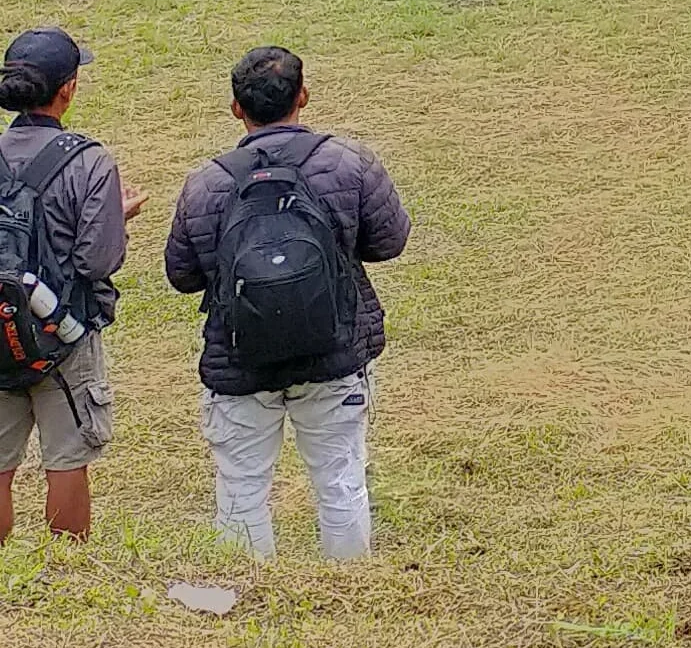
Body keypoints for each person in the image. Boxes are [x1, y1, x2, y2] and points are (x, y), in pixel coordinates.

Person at [162, 45, 410, 561]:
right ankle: (350, 593)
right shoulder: (349, 162)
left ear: (236, 108)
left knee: (241, 489)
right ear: (304, 96)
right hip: (335, 351)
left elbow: (182, 275)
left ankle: (249, 599)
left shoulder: (205, 183)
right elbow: (389, 241)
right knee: (341, 480)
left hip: (240, 359)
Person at [0, 29, 134, 541]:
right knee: (67, 457)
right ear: (68, 89)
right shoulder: (90, 161)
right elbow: (97, 259)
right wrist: (118, 219)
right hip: (65, 332)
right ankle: (66, 568)